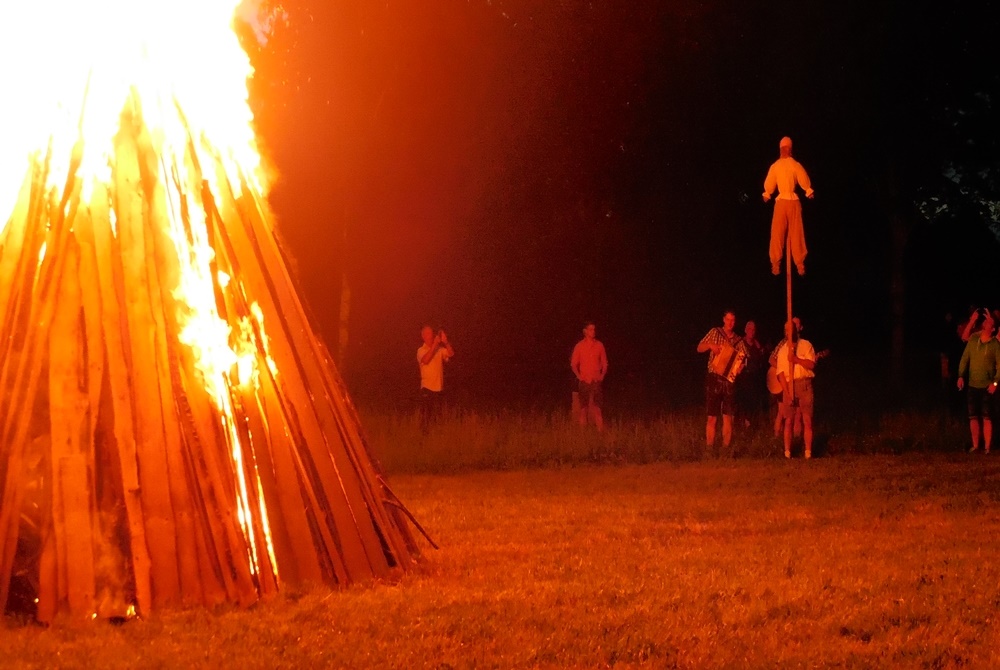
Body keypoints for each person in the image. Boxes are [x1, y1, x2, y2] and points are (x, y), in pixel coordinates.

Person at [697, 311, 750, 457]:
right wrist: (710, 346)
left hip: (729, 380)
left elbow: (744, 359)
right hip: (714, 378)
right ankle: (709, 450)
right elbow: (699, 347)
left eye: (733, 320)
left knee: (728, 416)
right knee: (712, 416)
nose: (730, 323)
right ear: (724, 320)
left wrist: (740, 367)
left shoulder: (739, 341)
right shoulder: (715, 332)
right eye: (728, 320)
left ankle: (725, 450)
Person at [762, 136, 814, 276]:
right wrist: (767, 193)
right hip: (786, 202)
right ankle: (777, 263)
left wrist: (808, 190)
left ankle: (798, 262)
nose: (785, 151)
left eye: (786, 149)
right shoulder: (785, 165)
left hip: (789, 202)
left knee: (794, 232)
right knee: (780, 232)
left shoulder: (788, 165)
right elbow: (770, 183)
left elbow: (802, 178)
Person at [956, 309, 1000, 454]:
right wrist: (961, 375)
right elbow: (965, 357)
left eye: (989, 322)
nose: (986, 322)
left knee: (987, 416)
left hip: (987, 385)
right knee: (973, 416)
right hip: (973, 384)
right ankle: (976, 446)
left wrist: (995, 383)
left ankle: (987, 447)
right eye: (985, 320)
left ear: (993, 328)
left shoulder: (995, 344)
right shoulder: (974, 339)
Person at [775, 319, 817, 459]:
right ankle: (787, 452)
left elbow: (811, 364)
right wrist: (787, 392)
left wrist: (796, 360)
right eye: (787, 329)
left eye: (792, 328)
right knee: (788, 420)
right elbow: (780, 374)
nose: (790, 332)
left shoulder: (805, 345)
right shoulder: (782, 351)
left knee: (807, 419)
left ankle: (808, 453)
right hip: (789, 385)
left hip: (804, 384)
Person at [570, 321, 608, 432]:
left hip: (596, 380)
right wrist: (579, 376)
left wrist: (602, 375)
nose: (593, 332)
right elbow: (573, 364)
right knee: (583, 408)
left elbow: (605, 363)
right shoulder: (579, 346)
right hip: (584, 380)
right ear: (585, 331)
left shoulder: (599, 345)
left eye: (594, 329)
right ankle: (583, 434)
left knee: (598, 408)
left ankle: (600, 432)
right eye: (591, 329)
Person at [417, 324, 454, 427]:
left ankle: (435, 437)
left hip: (438, 388)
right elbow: (426, 360)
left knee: (436, 418)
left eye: (431, 332)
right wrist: (434, 345)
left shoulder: (439, 349)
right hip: (427, 388)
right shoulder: (421, 350)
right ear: (423, 336)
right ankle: (423, 439)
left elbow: (451, 354)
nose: (431, 335)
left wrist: (445, 342)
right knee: (426, 418)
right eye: (428, 333)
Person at [736, 319, 767, 427]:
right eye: (749, 329)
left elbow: (762, 357)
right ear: (745, 330)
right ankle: (741, 423)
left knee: (754, 402)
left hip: (755, 377)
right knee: (743, 401)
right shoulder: (740, 343)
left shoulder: (757, 345)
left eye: (753, 329)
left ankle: (751, 423)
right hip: (743, 377)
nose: (752, 331)